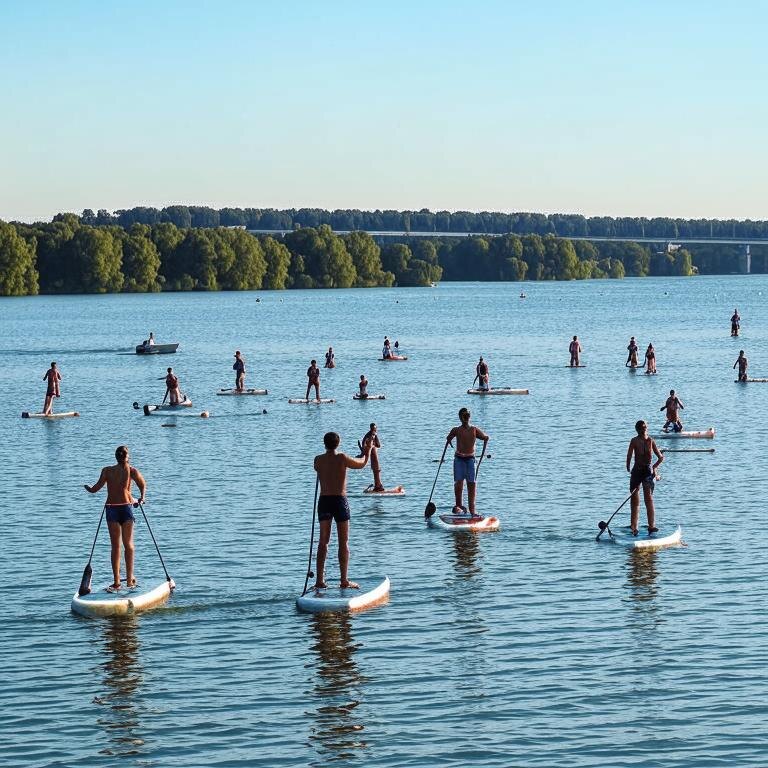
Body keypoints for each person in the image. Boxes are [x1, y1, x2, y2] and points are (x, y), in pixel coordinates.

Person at [84, 445, 147, 592]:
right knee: (128, 545)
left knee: (116, 546)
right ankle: (130, 580)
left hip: (112, 509)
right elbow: (142, 484)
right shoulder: (132, 470)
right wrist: (142, 499)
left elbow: (95, 489)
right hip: (125, 508)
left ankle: (117, 582)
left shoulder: (107, 471)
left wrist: (87, 488)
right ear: (127, 457)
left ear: (116, 457)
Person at [313, 432, 371, 590]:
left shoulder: (317, 460)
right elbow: (362, 464)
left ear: (324, 444)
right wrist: (368, 451)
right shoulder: (342, 458)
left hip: (324, 501)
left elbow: (321, 467)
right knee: (343, 542)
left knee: (323, 542)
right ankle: (344, 580)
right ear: (338, 444)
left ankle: (319, 580)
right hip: (339, 501)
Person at [445, 407, 489, 516]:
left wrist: (486, 438)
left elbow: (484, 437)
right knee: (459, 483)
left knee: (471, 484)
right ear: (460, 418)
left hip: (470, 460)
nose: (465, 418)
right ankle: (459, 507)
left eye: (467, 416)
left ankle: (472, 510)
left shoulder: (474, 429)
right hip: (459, 459)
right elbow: (448, 438)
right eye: (463, 416)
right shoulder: (456, 429)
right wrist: (449, 440)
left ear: (469, 417)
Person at [626, 420, 663, 536]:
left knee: (649, 499)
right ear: (637, 429)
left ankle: (651, 526)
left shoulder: (650, 441)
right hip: (637, 471)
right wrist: (628, 466)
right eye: (642, 428)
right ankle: (634, 527)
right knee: (635, 499)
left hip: (647, 471)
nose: (644, 429)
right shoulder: (634, 441)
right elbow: (629, 455)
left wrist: (654, 468)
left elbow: (660, 457)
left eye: (645, 427)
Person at [361, 423, 385, 491]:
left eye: (374, 429)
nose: (373, 430)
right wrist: (363, 453)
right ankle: (378, 485)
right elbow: (364, 444)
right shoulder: (368, 435)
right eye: (372, 429)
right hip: (370, 452)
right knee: (375, 469)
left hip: (373, 452)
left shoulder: (374, 434)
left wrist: (374, 441)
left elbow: (378, 445)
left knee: (376, 469)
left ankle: (378, 485)